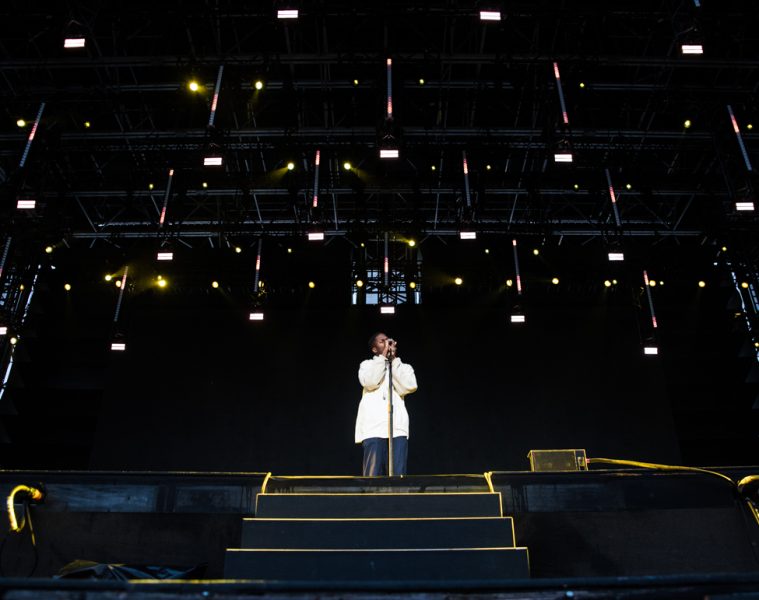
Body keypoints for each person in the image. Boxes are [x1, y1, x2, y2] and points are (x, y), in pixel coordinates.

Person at [355, 332, 418, 476]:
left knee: (398, 477)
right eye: (382, 341)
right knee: (373, 478)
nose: (387, 343)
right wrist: (383, 358)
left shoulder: (403, 367)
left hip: (397, 429)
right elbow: (370, 382)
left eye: (388, 340)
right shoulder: (367, 365)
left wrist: (393, 362)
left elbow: (409, 386)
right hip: (374, 428)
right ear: (374, 349)